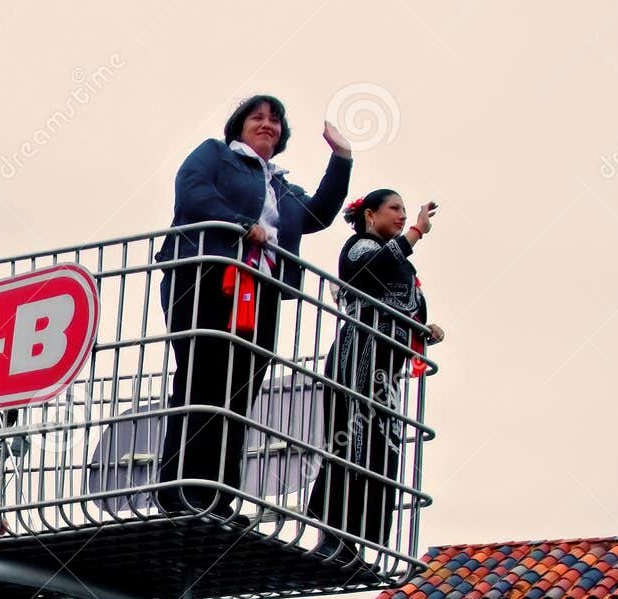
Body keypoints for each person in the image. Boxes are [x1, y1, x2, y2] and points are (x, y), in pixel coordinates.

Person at [153, 95, 353, 517]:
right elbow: (191, 190)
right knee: (201, 382)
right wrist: (243, 225)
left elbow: (317, 214)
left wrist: (342, 159)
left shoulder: (280, 186)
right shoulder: (216, 156)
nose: (267, 124)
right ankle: (180, 490)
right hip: (207, 279)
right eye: (257, 117)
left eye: (275, 120)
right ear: (239, 126)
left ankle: (218, 496)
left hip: (258, 293)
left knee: (239, 392)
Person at [306, 189, 443, 560]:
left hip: (386, 374)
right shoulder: (358, 248)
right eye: (394, 209)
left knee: (381, 452)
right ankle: (334, 537)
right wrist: (416, 231)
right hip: (356, 360)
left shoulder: (402, 261)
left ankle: (361, 542)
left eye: (403, 210)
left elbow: (407, 302)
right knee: (349, 443)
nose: (401, 216)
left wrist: (425, 328)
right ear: (370, 214)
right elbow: (376, 268)